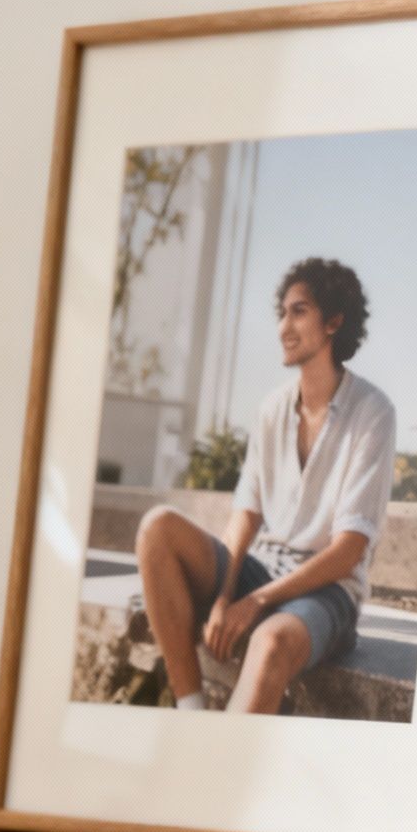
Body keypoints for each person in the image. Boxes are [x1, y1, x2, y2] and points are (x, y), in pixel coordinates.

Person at [135, 257, 396, 713]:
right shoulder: (272, 409)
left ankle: (221, 755)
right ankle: (190, 712)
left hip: (326, 591)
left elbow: (348, 551)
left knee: (270, 642)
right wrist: (224, 598)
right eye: (282, 313)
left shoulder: (372, 412)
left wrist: (255, 602)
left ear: (334, 321)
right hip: (261, 568)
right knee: (157, 527)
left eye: (299, 312)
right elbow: (245, 518)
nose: (283, 327)